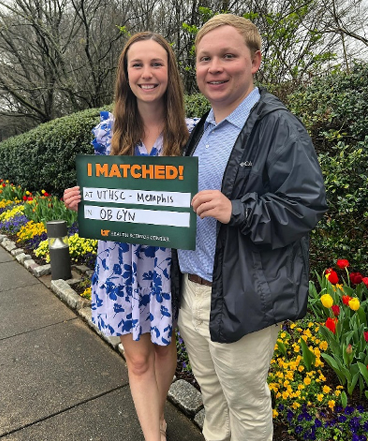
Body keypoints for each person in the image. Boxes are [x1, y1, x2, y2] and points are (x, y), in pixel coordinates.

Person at [176, 14, 328, 441]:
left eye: (228, 55)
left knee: (245, 402)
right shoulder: (201, 128)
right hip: (193, 291)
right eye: (205, 58)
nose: (215, 67)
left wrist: (237, 209)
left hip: (242, 294)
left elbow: (305, 207)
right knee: (212, 395)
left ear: (256, 60)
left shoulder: (278, 126)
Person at [63, 32, 198, 441]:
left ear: (170, 72)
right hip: (120, 261)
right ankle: (152, 435)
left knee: (162, 349)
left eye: (156, 64)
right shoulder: (107, 134)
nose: (146, 73)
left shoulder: (192, 134)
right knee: (138, 360)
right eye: (136, 64)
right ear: (125, 73)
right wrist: (84, 199)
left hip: (167, 263)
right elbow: (105, 193)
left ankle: (156, 417)